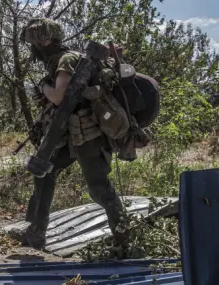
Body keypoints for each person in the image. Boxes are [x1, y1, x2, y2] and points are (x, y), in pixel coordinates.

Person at [11, 18, 130, 250]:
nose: (33, 48)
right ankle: (36, 232)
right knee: (44, 171)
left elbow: (58, 96)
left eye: (34, 42)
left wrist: (42, 88)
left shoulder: (66, 59)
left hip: (88, 134)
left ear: (44, 40)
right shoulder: (63, 58)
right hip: (70, 134)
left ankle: (123, 242)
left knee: (99, 189)